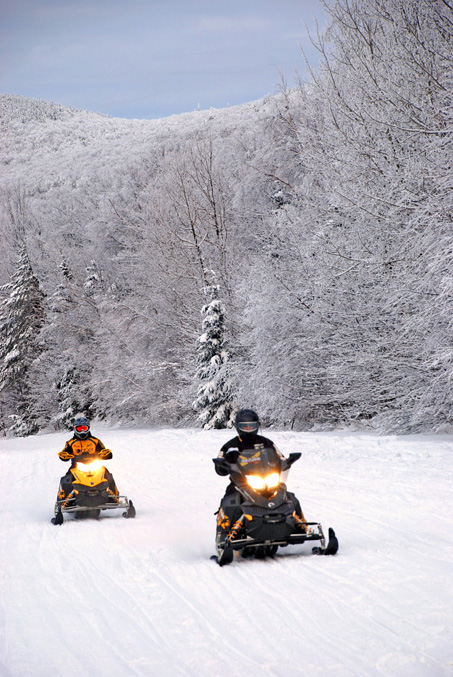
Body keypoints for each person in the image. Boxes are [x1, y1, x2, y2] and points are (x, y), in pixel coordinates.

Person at [214, 409, 307, 540]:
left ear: (257, 426)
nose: (248, 429)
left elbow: (279, 457)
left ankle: (302, 528)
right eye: (244, 426)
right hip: (241, 483)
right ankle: (223, 536)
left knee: (290, 498)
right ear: (238, 427)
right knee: (229, 501)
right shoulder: (231, 446)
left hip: (267, 479)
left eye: (251, 426)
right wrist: (222, 465)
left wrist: (288, 461)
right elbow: (220, 463)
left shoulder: (266, 443)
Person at [57, 416, 119, 503]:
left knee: (108, 475)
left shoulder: (95, 441)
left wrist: (106, 454)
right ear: (75, 429)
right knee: (67, 479)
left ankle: (114, 497)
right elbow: (65, 452)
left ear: (88, 428)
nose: (82, 431)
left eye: (84, 428)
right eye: (79, 429)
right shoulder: (71, 443)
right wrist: (64, 455)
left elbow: (103, 450)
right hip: (77, 466)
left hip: (95, 464)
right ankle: (63, 500)